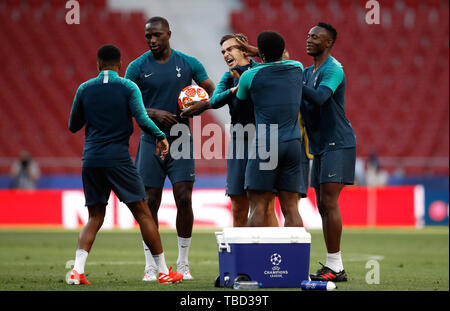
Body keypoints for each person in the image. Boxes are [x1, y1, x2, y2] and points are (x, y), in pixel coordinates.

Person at [67, 44, 183, 285]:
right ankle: (162, 271)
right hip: (118, 159)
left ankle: (77, 271)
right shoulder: (128, 87)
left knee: (95, 216)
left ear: (98, 64)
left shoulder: (84, 88)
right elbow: (142, 119)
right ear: (119, 65)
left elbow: (73, 125)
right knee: (143, 212)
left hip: (91, 159)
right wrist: (161, 137)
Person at [125, 16, 215, 281]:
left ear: (168, 34)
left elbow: (212, 89)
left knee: (184, 197)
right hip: (151, 139)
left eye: (157, 35)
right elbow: (127, 102)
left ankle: (183, 263)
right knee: (149, 202)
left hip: (180, 137)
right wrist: (153, 112)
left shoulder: (188, 63)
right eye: (148, 36)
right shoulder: (137, 67)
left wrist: (202, 104)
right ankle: (151, 265)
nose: (152, 40)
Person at [181, 33, 278, 227]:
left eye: (230, 48)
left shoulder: (262, 70)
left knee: (266, 205)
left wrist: (257, 53)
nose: (226, 54)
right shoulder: (227, 78)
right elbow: (215, 100)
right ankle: (242, 255)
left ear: (244, 49)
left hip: (264, 142)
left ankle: (269, 252)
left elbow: (283, 58)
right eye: (223, 51)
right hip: (239, 143)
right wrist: (236, 89)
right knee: (238, 205)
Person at [301, 22, 357, 282]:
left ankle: (335, 266)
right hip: (321, 146)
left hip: (338, 142)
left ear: (328, 43)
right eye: (309, 35)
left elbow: (321, 98)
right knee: (322, 203)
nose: (310, 39)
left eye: (316, 37)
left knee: (328, 201)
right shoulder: (306, 71)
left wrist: (291, 79)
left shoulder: (333, 69)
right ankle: (335, 266)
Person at [235, 31, 305, 228]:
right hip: (292, 144)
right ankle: (293, 259)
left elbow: (241, 111)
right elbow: (279, 58)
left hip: (266, 144)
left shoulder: (249, 76)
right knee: (291, 208)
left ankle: (254, 259)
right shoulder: (297, 68)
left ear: (262, 55)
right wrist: (261, 52)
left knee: (258, 206)